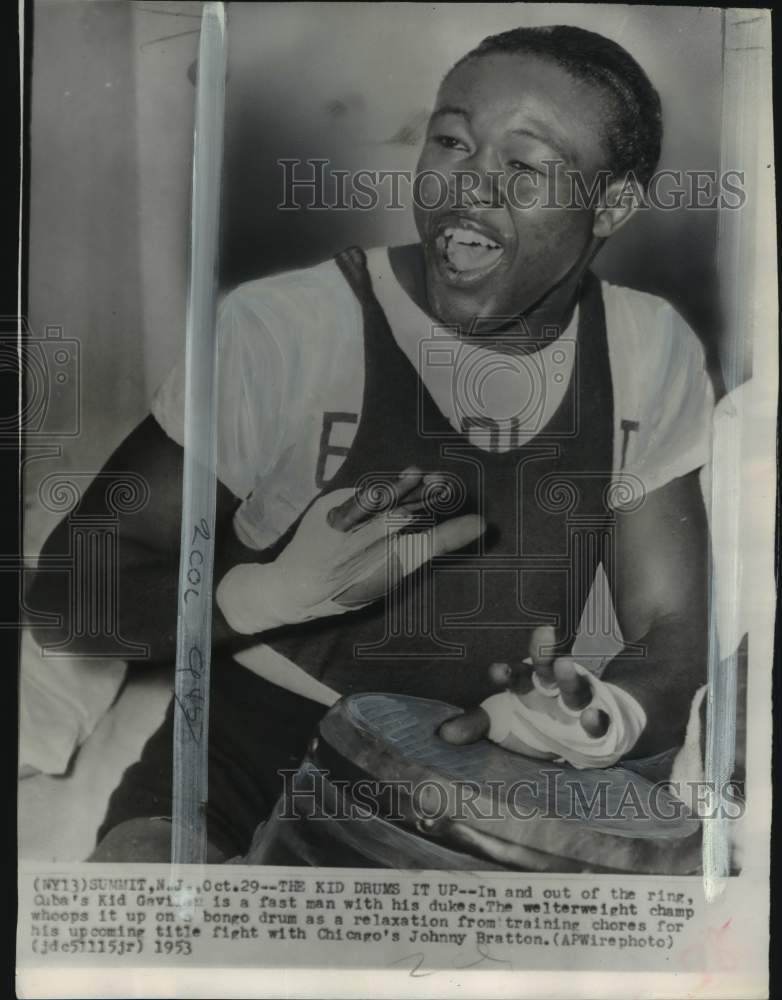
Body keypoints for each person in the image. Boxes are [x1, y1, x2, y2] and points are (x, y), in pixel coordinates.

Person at [29, 24, 714, 863]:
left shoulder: (650, 348)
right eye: (452, 141)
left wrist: (601, 718)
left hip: (479, 786)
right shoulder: (290, 328)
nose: (469, 186)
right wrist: (260, 597)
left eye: (524, 165)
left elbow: (674, 627)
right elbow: (70, 591)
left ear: (611, 205)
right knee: (134, 966)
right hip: (238, 769)